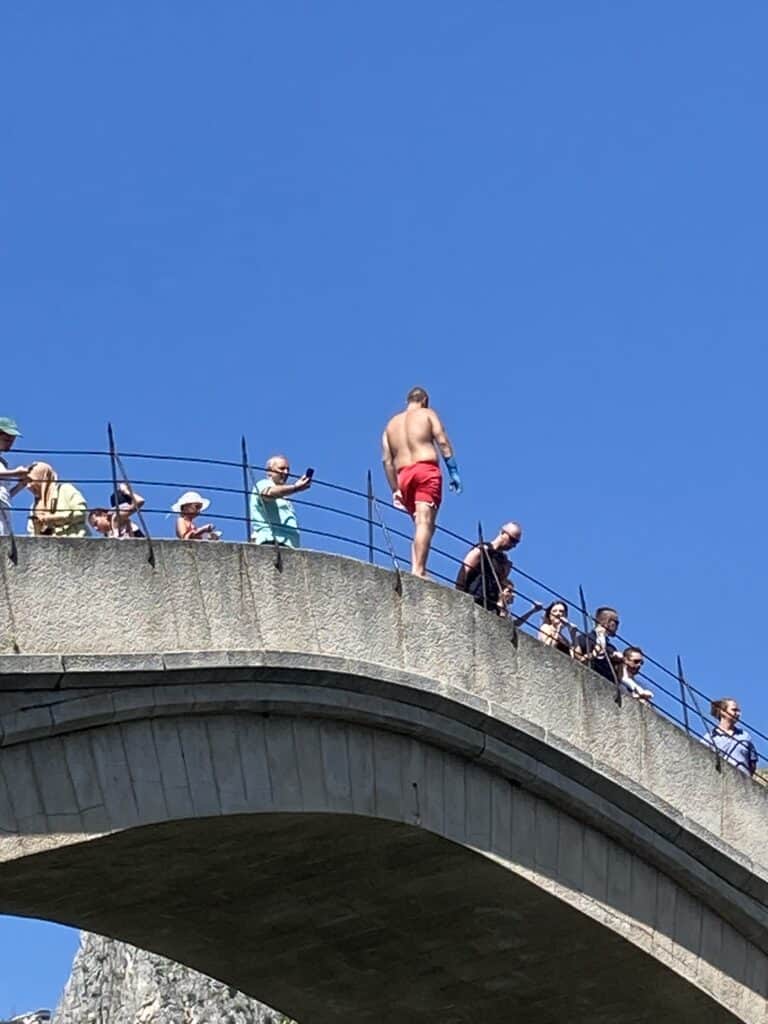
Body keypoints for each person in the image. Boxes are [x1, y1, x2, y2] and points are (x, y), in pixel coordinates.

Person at [382, 386, 462, 577]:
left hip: (404, 476)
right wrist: (454, 471)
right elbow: (442, 441)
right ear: (425, 400)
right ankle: (418, 570)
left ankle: (417, 567)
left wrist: (395, 489)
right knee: (425, 523)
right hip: (426, 471)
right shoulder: (427, 414)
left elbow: (387, 460)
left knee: (419, 523)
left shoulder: (391, 425)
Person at [455, 522, 522, 613]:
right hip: (473, 598)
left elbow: (501, 584)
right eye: (512, 540)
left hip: (490, 606)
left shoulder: (503, 561)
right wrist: (459, 595)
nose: (513, 545)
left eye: (516, 542)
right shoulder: (482, 549)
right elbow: (464, 570)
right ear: (502, 533)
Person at [249, 455, 312, 547]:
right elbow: (268, 493)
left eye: (288, 469)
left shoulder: (284, 497)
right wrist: (295, 487)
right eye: (282, 469)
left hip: (289, 545)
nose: (286, 472)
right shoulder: (263, 484)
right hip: (272, 541)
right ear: (269, 471)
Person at [26, 462, 89, 537]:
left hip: (76, 544)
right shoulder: (34, 508)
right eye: (26, 482)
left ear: (42, 478)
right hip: (49, 547)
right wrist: (38, 528)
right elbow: (33, 536)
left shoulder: (65, 490)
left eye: (31, 481)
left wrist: (53, 519)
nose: (28, 486)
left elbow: (81, 513)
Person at [703, 698, 758, 776]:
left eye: (738, 711)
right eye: (734, 710)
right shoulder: (710, 737)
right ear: (723, 711)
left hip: (744, 782)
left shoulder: (745, 736)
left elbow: (752, 763)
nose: (738, 713)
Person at [574, 606, 623, 683]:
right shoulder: (585, 639)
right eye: (616, 622)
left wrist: (620, 662)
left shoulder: (611, 648)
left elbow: (618, 677)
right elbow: (576, 659)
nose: (617, 626)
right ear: (606, 622)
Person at [0, 418, 30, 536]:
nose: (10, 444)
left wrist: (21, 485)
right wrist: (15, 473)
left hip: (4, 511)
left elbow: (5, 496)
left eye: (12, 440)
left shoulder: (2, 463)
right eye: (7, 440)